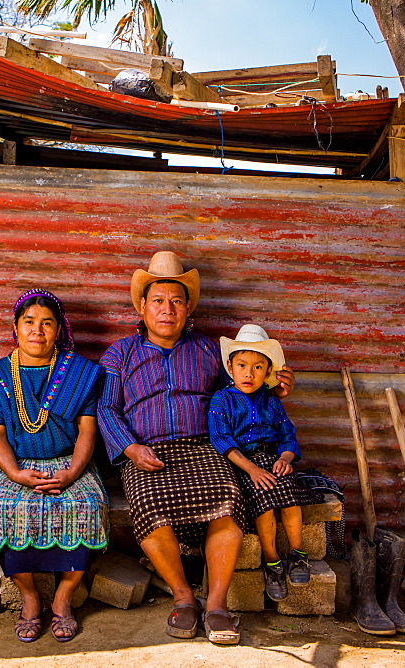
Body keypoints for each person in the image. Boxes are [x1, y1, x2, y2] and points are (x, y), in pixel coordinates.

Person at [98, 251, 296, 646]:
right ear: (141, 306)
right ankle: (184, 597)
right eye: (158, 300)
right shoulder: (120, 353)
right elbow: (106, 407)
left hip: (206, 447)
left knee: (229, 496)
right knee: (147, 504)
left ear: (189, 308)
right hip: (147, 450)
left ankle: (218, 605)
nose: (167, 309)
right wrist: (131, 448)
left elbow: (246, 383)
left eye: (176, 301)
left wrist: (276, 385)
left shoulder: (209, 351)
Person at [0, 289, 107, 643]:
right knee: (6, 506)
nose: (37, 330)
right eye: (29, 322)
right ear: (16, 329)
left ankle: (63, 600)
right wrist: (15, 474)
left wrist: (73, 473)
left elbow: (86, 431)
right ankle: (31, 599)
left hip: (70, 462)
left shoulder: (78, 373)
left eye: (46, 323)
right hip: (16, 465)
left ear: (59, 330)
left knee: (87, 505)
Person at [209, 324, 322, 603]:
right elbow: (221, 439)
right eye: (243, 365)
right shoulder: (221, 400)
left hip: (272, 459)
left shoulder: (270, 401)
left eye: (259, 367)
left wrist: (285, 458)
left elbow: (287, 434)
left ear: (268, 372)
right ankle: (272, 561)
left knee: (290, 499)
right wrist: (251, 469)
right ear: (229, 366)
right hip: (244, 465)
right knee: (265, 505)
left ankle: (297, 554)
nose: (249, 373)